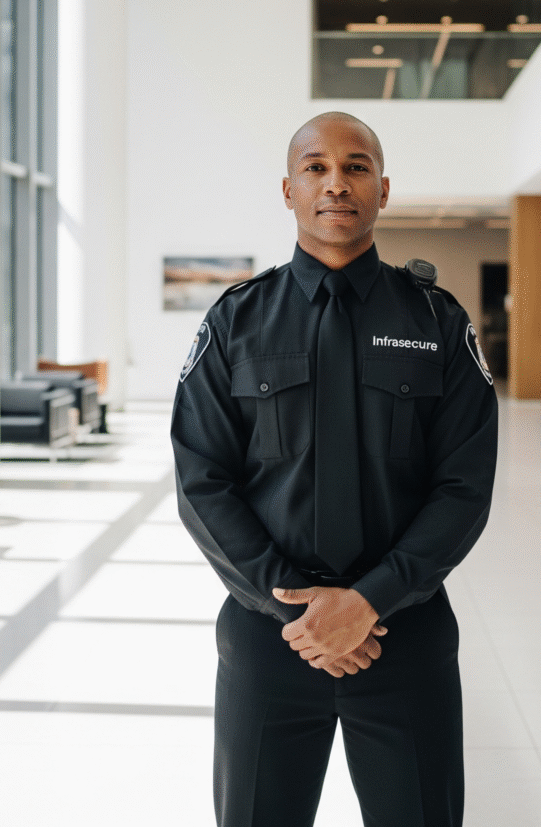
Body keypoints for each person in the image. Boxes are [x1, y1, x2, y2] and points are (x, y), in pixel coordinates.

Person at [171, 111, 498, 827]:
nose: (336, 183)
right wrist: (298, 611)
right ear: (288, 190)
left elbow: (464, 486)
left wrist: (369, 600)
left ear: (384, 188)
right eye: (315, 167)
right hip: (271, 640)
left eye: (356, 166)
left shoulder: (437, 323)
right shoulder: (235, 321)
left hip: (403, 636)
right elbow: (202, 479)